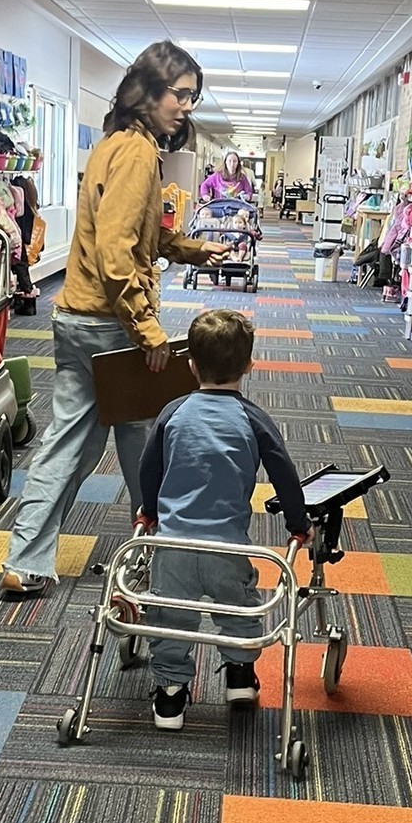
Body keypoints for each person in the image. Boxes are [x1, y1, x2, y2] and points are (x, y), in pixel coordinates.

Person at [1, 41, 230, 595]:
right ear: (147, 90)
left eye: (192, 98)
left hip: (77, 317)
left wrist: (189, 250)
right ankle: (157, 554)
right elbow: (117, 252)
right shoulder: (136, 154)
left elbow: (131, 233)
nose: (186, 107)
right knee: (145, 443)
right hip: (113, 327)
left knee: (67, 442)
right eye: (179, 94)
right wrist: (148, 330)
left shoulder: (114, 144)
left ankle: (26, 559)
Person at [138, 310, 310, 730]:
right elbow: (284, 472)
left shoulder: (173, 412)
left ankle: (170, 698)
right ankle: (239, 676)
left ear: (191, 365)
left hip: (172, 545)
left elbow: (148, 467)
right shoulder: (253, 418)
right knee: (239, 606)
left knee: (171, 617)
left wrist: (150, 509)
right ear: (250, 366)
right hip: (228, 546)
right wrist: (298, 522)